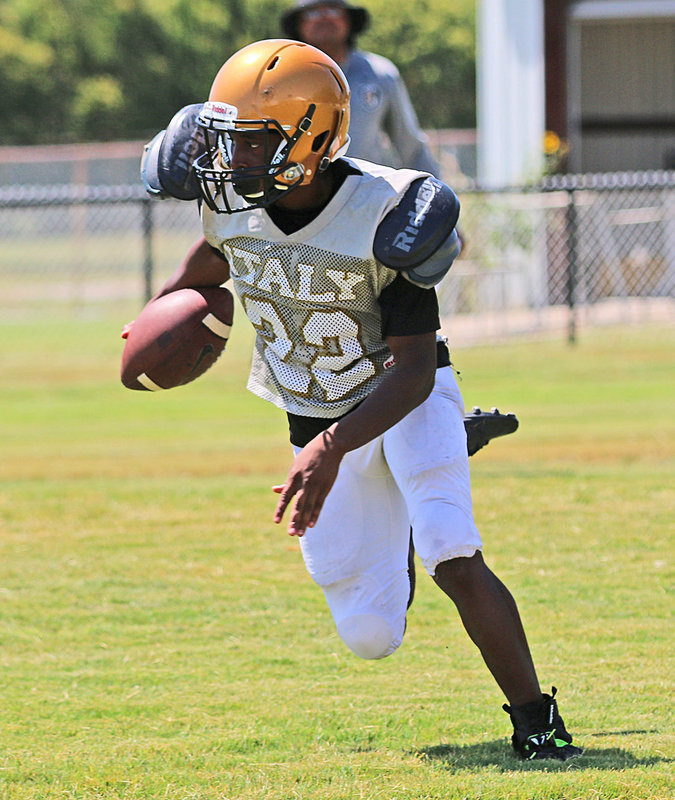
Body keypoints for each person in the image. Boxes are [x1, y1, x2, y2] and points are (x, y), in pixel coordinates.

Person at [138, 39, 582, 761]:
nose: (230, 163)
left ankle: (537, 722)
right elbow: (204, 276)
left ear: (307, 138)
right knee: (369, 634)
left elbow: (409, 372)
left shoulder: (388, 211)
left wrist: (331, 448)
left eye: (251, 145)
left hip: (404, 397)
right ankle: (404, 502)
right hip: (311, 409)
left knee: (452, 551)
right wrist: (158, 327)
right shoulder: (230, 208)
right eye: (228, 143)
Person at [280, 0, 442, 176]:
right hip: (295, 192)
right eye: (313, 12)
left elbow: (411, 146)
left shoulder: (380, 73)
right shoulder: (280, 77)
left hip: (367, 194)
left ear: (349, 20)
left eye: (334, 10)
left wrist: (436, 192)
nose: (325, 17)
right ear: (298, 24)